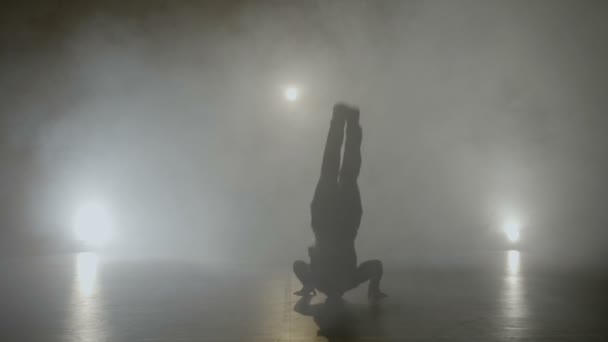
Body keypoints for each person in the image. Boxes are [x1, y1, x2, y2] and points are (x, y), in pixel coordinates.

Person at [293, 103, 387, 301]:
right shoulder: (324, 281)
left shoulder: (345, 281)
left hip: (341, 222)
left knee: (343, 170)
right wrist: (308, 285)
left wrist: (308, 285)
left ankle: (348, 120)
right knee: (333, 167)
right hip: (330, 222)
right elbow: (298, 265)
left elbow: (375, 266)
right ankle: (342, 119)